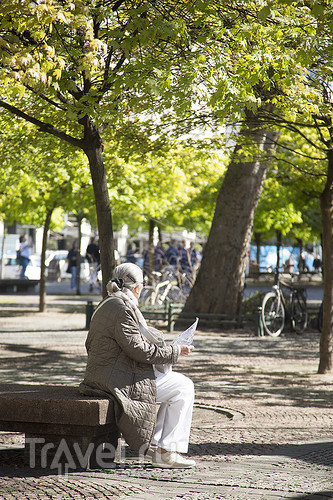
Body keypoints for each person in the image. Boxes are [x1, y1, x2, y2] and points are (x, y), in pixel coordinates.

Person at [79, 262, 196, 469]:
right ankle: (165, 451)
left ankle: (158, 446)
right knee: (183, 386)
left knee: (178, 386)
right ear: (138, 288)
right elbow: (140, 351)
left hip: (105, 374)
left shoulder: (108, 304)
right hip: (116, 381)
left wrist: (164, 347)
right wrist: (175, 352)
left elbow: (128, 344)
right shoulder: (123, 308)